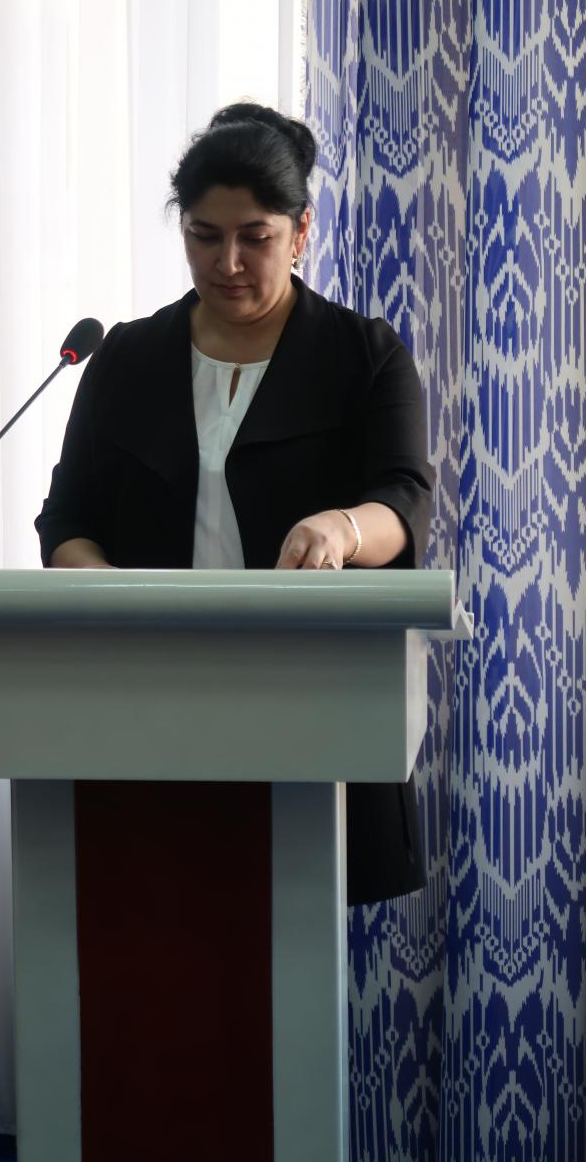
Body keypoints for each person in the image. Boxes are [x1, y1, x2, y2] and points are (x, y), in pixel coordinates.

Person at [35, 102, 435, 907]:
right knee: (156, 940)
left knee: (288, 958)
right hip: (147, 697)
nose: (229, 262)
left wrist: (343, 527)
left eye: (256, 237)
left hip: (311, 696)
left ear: (302, 230)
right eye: (204, 236)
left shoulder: (363, 355)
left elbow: (405, 501)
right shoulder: (125, 359)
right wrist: (110, 591)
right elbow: (66, 518)